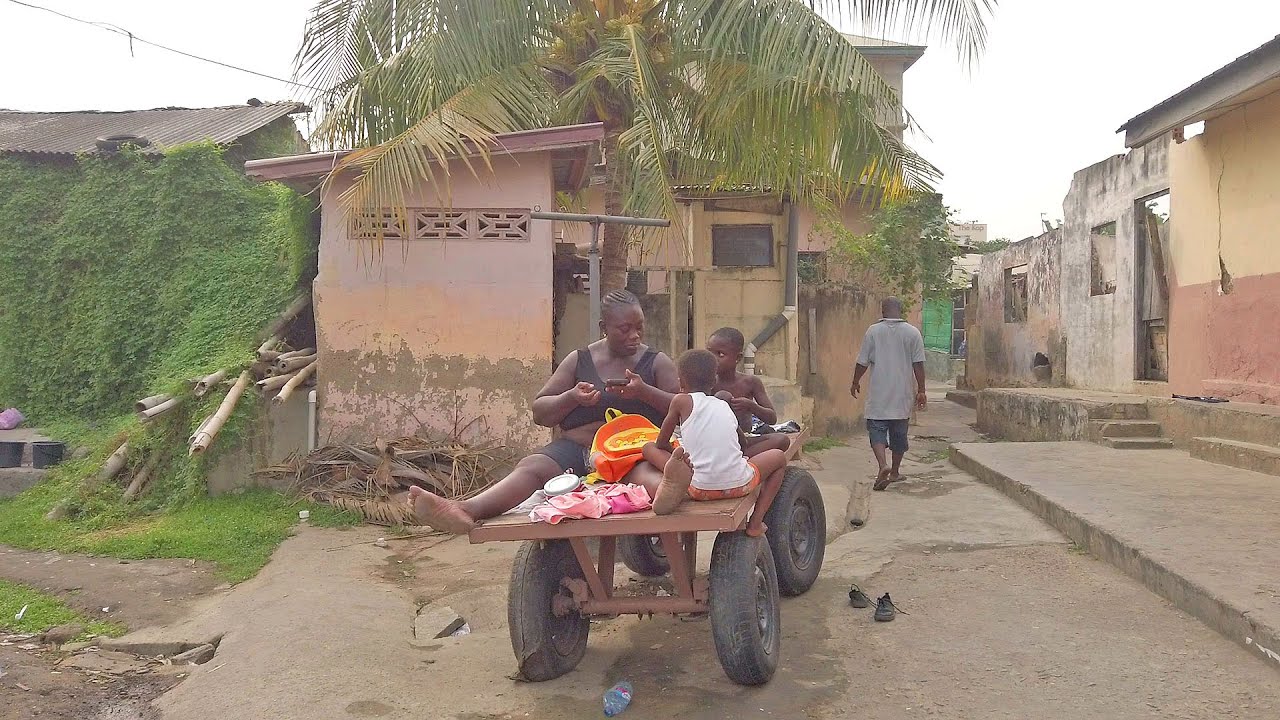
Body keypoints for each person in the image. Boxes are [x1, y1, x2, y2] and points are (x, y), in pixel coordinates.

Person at [408, 289, 679, 532]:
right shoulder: (579, 359)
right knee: (533, 466)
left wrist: (644, 392)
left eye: (639, 327)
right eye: (624, 328)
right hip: (578, 450)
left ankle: (672, 493)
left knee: (648, 475)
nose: (634, 335)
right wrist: (571, 398)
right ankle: (464, 510)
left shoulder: (656, 363)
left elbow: (684, 409)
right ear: (603, 327)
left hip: (633, 455)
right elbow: (540, 412)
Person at [642, 349, 788, 537]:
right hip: (739, 484)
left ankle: (677, 474)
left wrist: (675, 452)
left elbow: (661, 442)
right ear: (713, 382)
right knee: (779, 458)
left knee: (649, 448)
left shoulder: (680, 401)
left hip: (697, 487)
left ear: (680, 382)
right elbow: (742, 444)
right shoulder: (724, 406)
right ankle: (756, 522)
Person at [850, 297, 927, 491]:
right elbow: (918, 364)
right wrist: (922, 390)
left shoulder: (873, 331)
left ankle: (882, 465)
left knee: (877, 430)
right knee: (899, 435)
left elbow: (862, 361)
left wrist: (855, 381)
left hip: (878, 395)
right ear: (900, 311)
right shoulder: (913, 333)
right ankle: (894, 472)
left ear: (883, 310)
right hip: (902, 396)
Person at [705, 327, 791, 456]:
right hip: (716, 442)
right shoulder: (706, 382)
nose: (713, 359)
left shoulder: (750, 382)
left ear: (738, 358)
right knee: (722, 397)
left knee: (782, 440)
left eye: (720, 354)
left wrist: (751, 406)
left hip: (743, 441)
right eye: (709, 353)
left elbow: (772, 418)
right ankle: (736, 459)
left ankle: (737, 457)